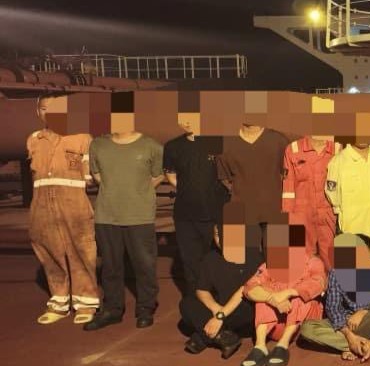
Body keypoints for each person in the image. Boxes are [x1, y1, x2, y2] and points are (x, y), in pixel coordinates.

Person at [27, 93, 101, 325]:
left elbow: (90, 176)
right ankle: (59, 302)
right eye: (44, 109)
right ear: (38, 112)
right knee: (49, 252)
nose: (50, 113)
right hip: (41, 204)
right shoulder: (33, 139)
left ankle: (85, 302)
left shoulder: (82, 138)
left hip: (73, 203)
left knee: (81, 250)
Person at [85, 126, 164, 331]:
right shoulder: (98, 145)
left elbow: (157, 176)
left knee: (144, 265)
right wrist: (116, 190)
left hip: (140, 217)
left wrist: (137, 192)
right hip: (107, 216)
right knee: (110, 266)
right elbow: (97, 175)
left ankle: (146, 308)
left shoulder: (151, 146)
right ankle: (113, 310)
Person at [241, 223, 327, 366]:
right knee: (263, 296)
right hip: (277, 324)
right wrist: (273, 299)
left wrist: (288, 292)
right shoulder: (270, 265)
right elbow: (249, 287)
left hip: (303, 325)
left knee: (300, 296)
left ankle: (283, 345)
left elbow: (319, 283)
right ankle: (260, 346)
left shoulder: (313, 262)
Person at [178, 210, 262, 359]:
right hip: (221, 308)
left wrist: (220, 316)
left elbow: (244, 291)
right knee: (187, 304)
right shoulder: (210, 259)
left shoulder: (252, 255)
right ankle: (224, 337)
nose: (219, 238)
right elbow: (202, 290)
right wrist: (216, 309)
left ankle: (202, 337)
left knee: (250, 309)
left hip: (243, 307)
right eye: (217, 234)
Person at [300, 233, 370, 362]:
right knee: (307, 328)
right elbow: (333, 308)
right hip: (346, 321)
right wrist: (349, 335)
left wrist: (364, 311)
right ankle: (367, 344)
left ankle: (349, 345)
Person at [164, 119, 227, 292]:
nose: (187, 121)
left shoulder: (219, 142)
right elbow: (170, 174)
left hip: (215, 213)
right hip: (185, 216)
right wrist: (189, 189)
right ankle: (195, 301)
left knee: (218, 259)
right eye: (182, 117)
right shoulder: (172, 146)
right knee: (191, 262)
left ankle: (219, 299)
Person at [217, 124, 291, 238]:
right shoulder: (226, 143)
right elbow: (223, 179)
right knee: (244, 250)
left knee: (278, 250)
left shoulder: (279, 141)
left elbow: (290, 175)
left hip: (275, 214)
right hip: (241, 216)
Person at [283, 136, 341, 265]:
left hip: (328, 214)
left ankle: (330, 279)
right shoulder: (293, 149)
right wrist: (288, 218)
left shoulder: (337, 149)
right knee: (302, 260)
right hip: (301, 215)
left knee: (330, 260)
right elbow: (288, 189)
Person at [326, 141, 370, 261]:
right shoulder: (339, 161)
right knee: (355, 264)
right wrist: (344, 212)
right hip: (353, 224)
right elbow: (332, 192)